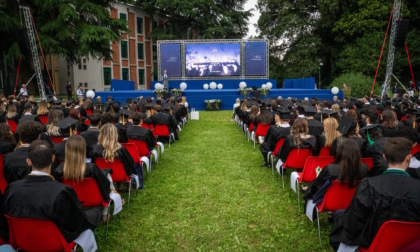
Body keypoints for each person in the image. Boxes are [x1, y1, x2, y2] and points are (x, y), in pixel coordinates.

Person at [329, 137, 420, 251]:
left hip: (374, 245)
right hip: (410, 246)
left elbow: (353, 223)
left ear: (384, 157)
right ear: (408, 158)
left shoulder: (369, 186)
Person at [3, 140, 101, 243]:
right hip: (54, 243)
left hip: (24, 241)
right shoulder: (61, 192)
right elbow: (74, 223)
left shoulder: (11, 190)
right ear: (53, 159)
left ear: (28, 161)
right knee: (93, 214)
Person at [304, 138, 368, 209]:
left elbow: (316, 186)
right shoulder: (364, 169)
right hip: (355, 203)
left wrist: (308, 191)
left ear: (339, 152)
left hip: (331, 203)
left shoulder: (330, 169)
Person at [55, 135, 111, 207]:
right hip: (92, 198)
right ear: (83, 149)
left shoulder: (59, 170)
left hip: (71, 201)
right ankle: (105, 213)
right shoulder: (91, 168)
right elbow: (104, 187)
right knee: (107, 176)